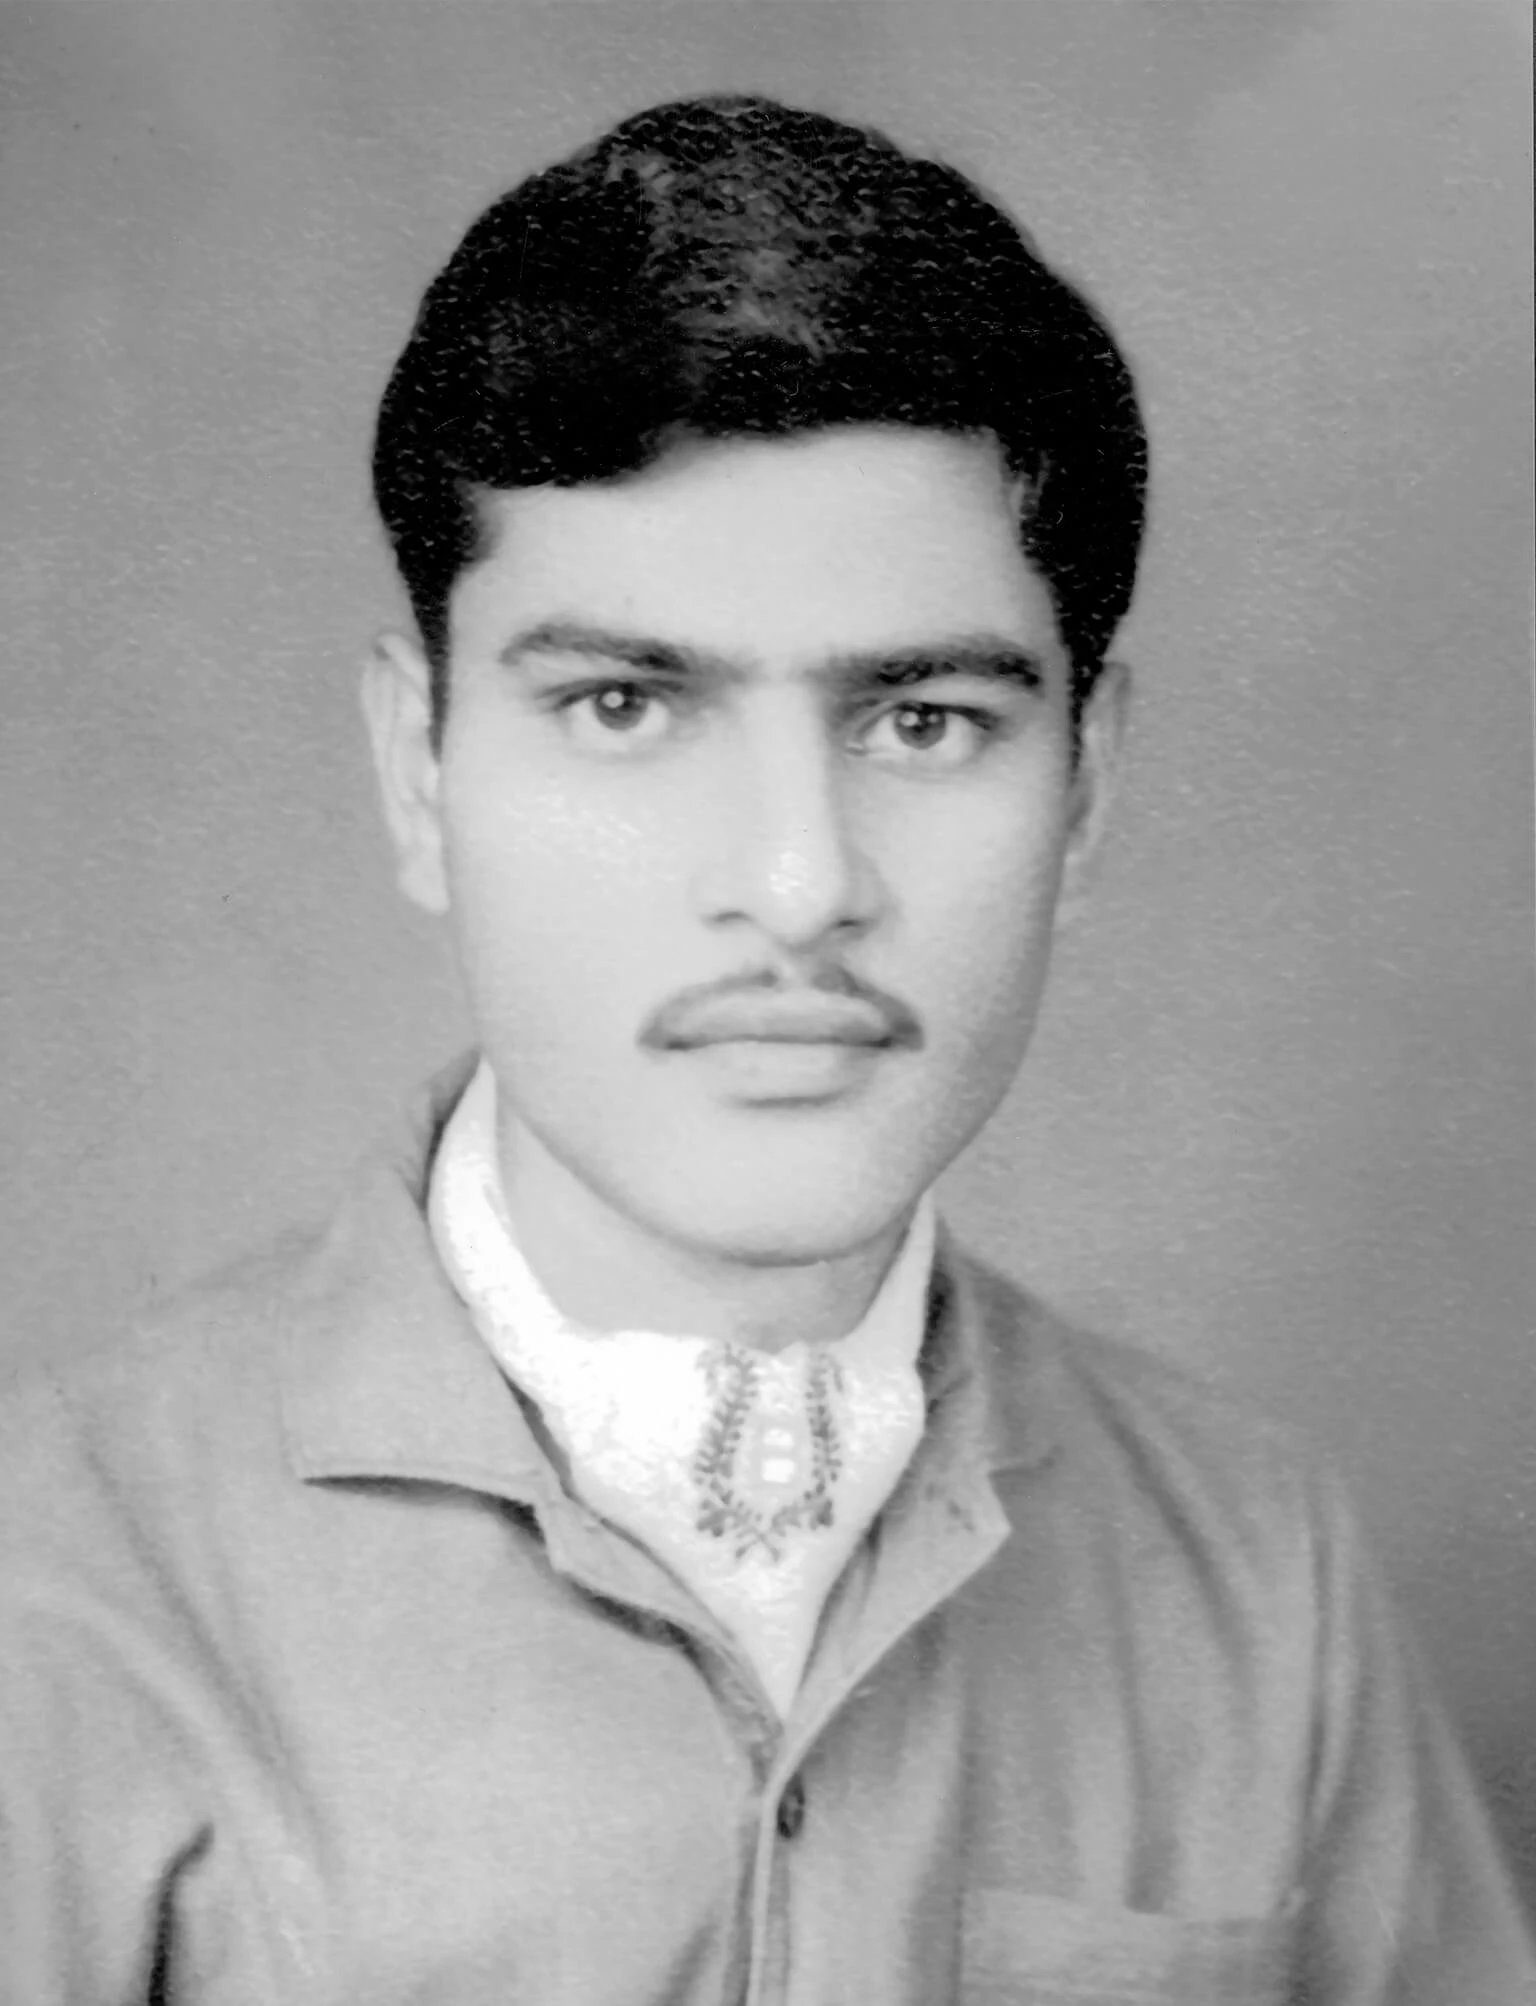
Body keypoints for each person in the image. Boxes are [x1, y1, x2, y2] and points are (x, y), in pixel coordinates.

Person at [0, 91, 1529, 2006]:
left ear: (1091, 787)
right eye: (629, 703)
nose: (800, 885)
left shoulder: (1257, 1567)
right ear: (421, 770)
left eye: (925, 722)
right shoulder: (49, 1581)